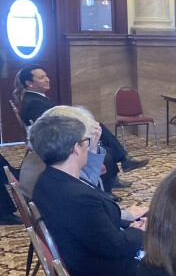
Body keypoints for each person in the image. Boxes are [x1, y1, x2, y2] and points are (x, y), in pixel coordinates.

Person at [29, 113, 146, 276]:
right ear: (75, 148)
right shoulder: (77, 197)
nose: (87, 146)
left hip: (86, 262)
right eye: (85, 141)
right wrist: (140, 232)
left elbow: (98, 232)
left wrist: (131, 226)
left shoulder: (47, 180)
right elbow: (116, 246)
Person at [14, 65, 148, 189]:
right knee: (102, 142)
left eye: (46, 76)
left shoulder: (35, 98)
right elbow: (52, 124)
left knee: (101, 139)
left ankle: (118, 168)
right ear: (29, 83)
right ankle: (116, 171)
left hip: (59, 136)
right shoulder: (33, 102)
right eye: (41, 77)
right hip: (57, 142)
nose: (47, 79)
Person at [19, 105, 138, 219]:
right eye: (84, 137)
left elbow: (89, 188)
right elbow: (91, 196)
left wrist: (92, 148)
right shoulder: (59, 167)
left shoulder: (43, 156)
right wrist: (129, 217)